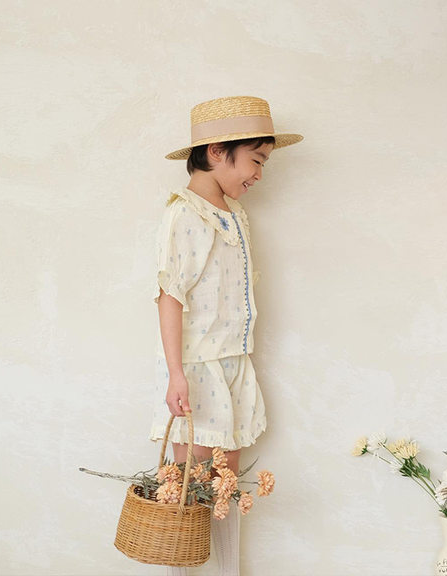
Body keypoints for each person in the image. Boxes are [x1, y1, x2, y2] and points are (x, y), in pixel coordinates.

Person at [148, 95, 303, 576]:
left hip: (235, 364)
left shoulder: (234, 212)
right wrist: (176, 374)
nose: (259, 174)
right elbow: (170, 295)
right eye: (256, 160)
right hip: (199, 369)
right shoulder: (184, 214)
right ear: (217, 152)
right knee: (188, 498)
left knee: (223, 493)